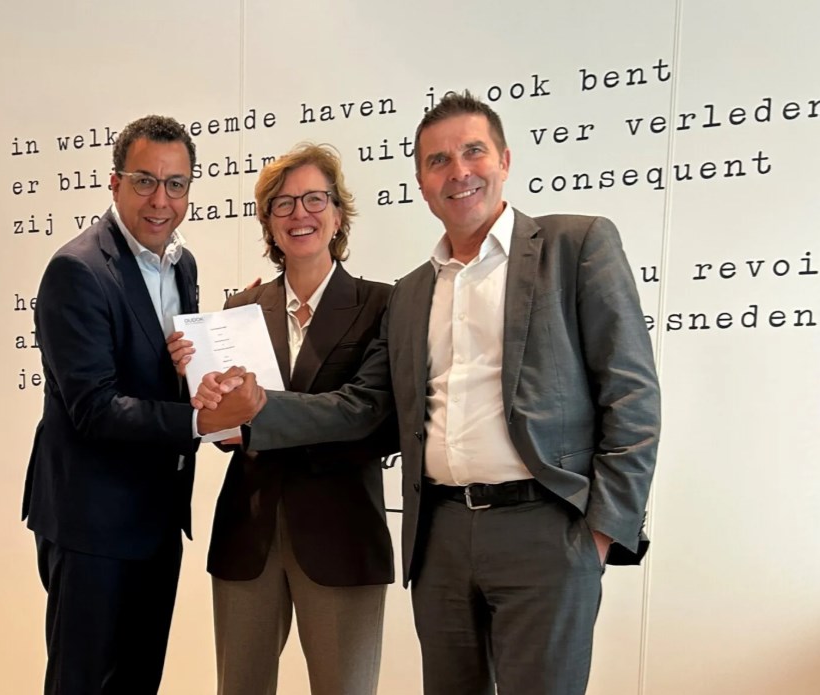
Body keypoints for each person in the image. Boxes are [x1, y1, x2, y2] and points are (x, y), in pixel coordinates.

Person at [196, 91, 661, 695]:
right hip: (439, 533)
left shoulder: (574, 246)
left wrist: (601, 533)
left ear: (505, 160)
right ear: (420, 182)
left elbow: (631, 395)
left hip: (544, 529)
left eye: (473, 152)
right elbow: (366, 407)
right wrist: (229, 401)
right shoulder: (415, 291)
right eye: (438, 161)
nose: (458, 171)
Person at [21, 114, 263, 695]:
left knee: (138, 682)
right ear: (115, 183)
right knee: (82, 683)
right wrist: (200, 419)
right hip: (92, 522)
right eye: (145, 181)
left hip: (156, 518)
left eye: (176, 184)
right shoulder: (77, 270)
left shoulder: (182, 264)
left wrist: (201, 376)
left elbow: (157, 373)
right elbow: (94, 408)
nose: (161, 200)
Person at [169, 143, 396, 695]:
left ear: (338, 214)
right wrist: (195, 384)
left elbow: (366, 413)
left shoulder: (383, 304)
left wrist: (258, 408)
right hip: (248, 533)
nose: (300, 214)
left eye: (315, 199)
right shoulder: (238, 310)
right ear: (269, 222)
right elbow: (226, 433)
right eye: (283, 204)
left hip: (342, 536)